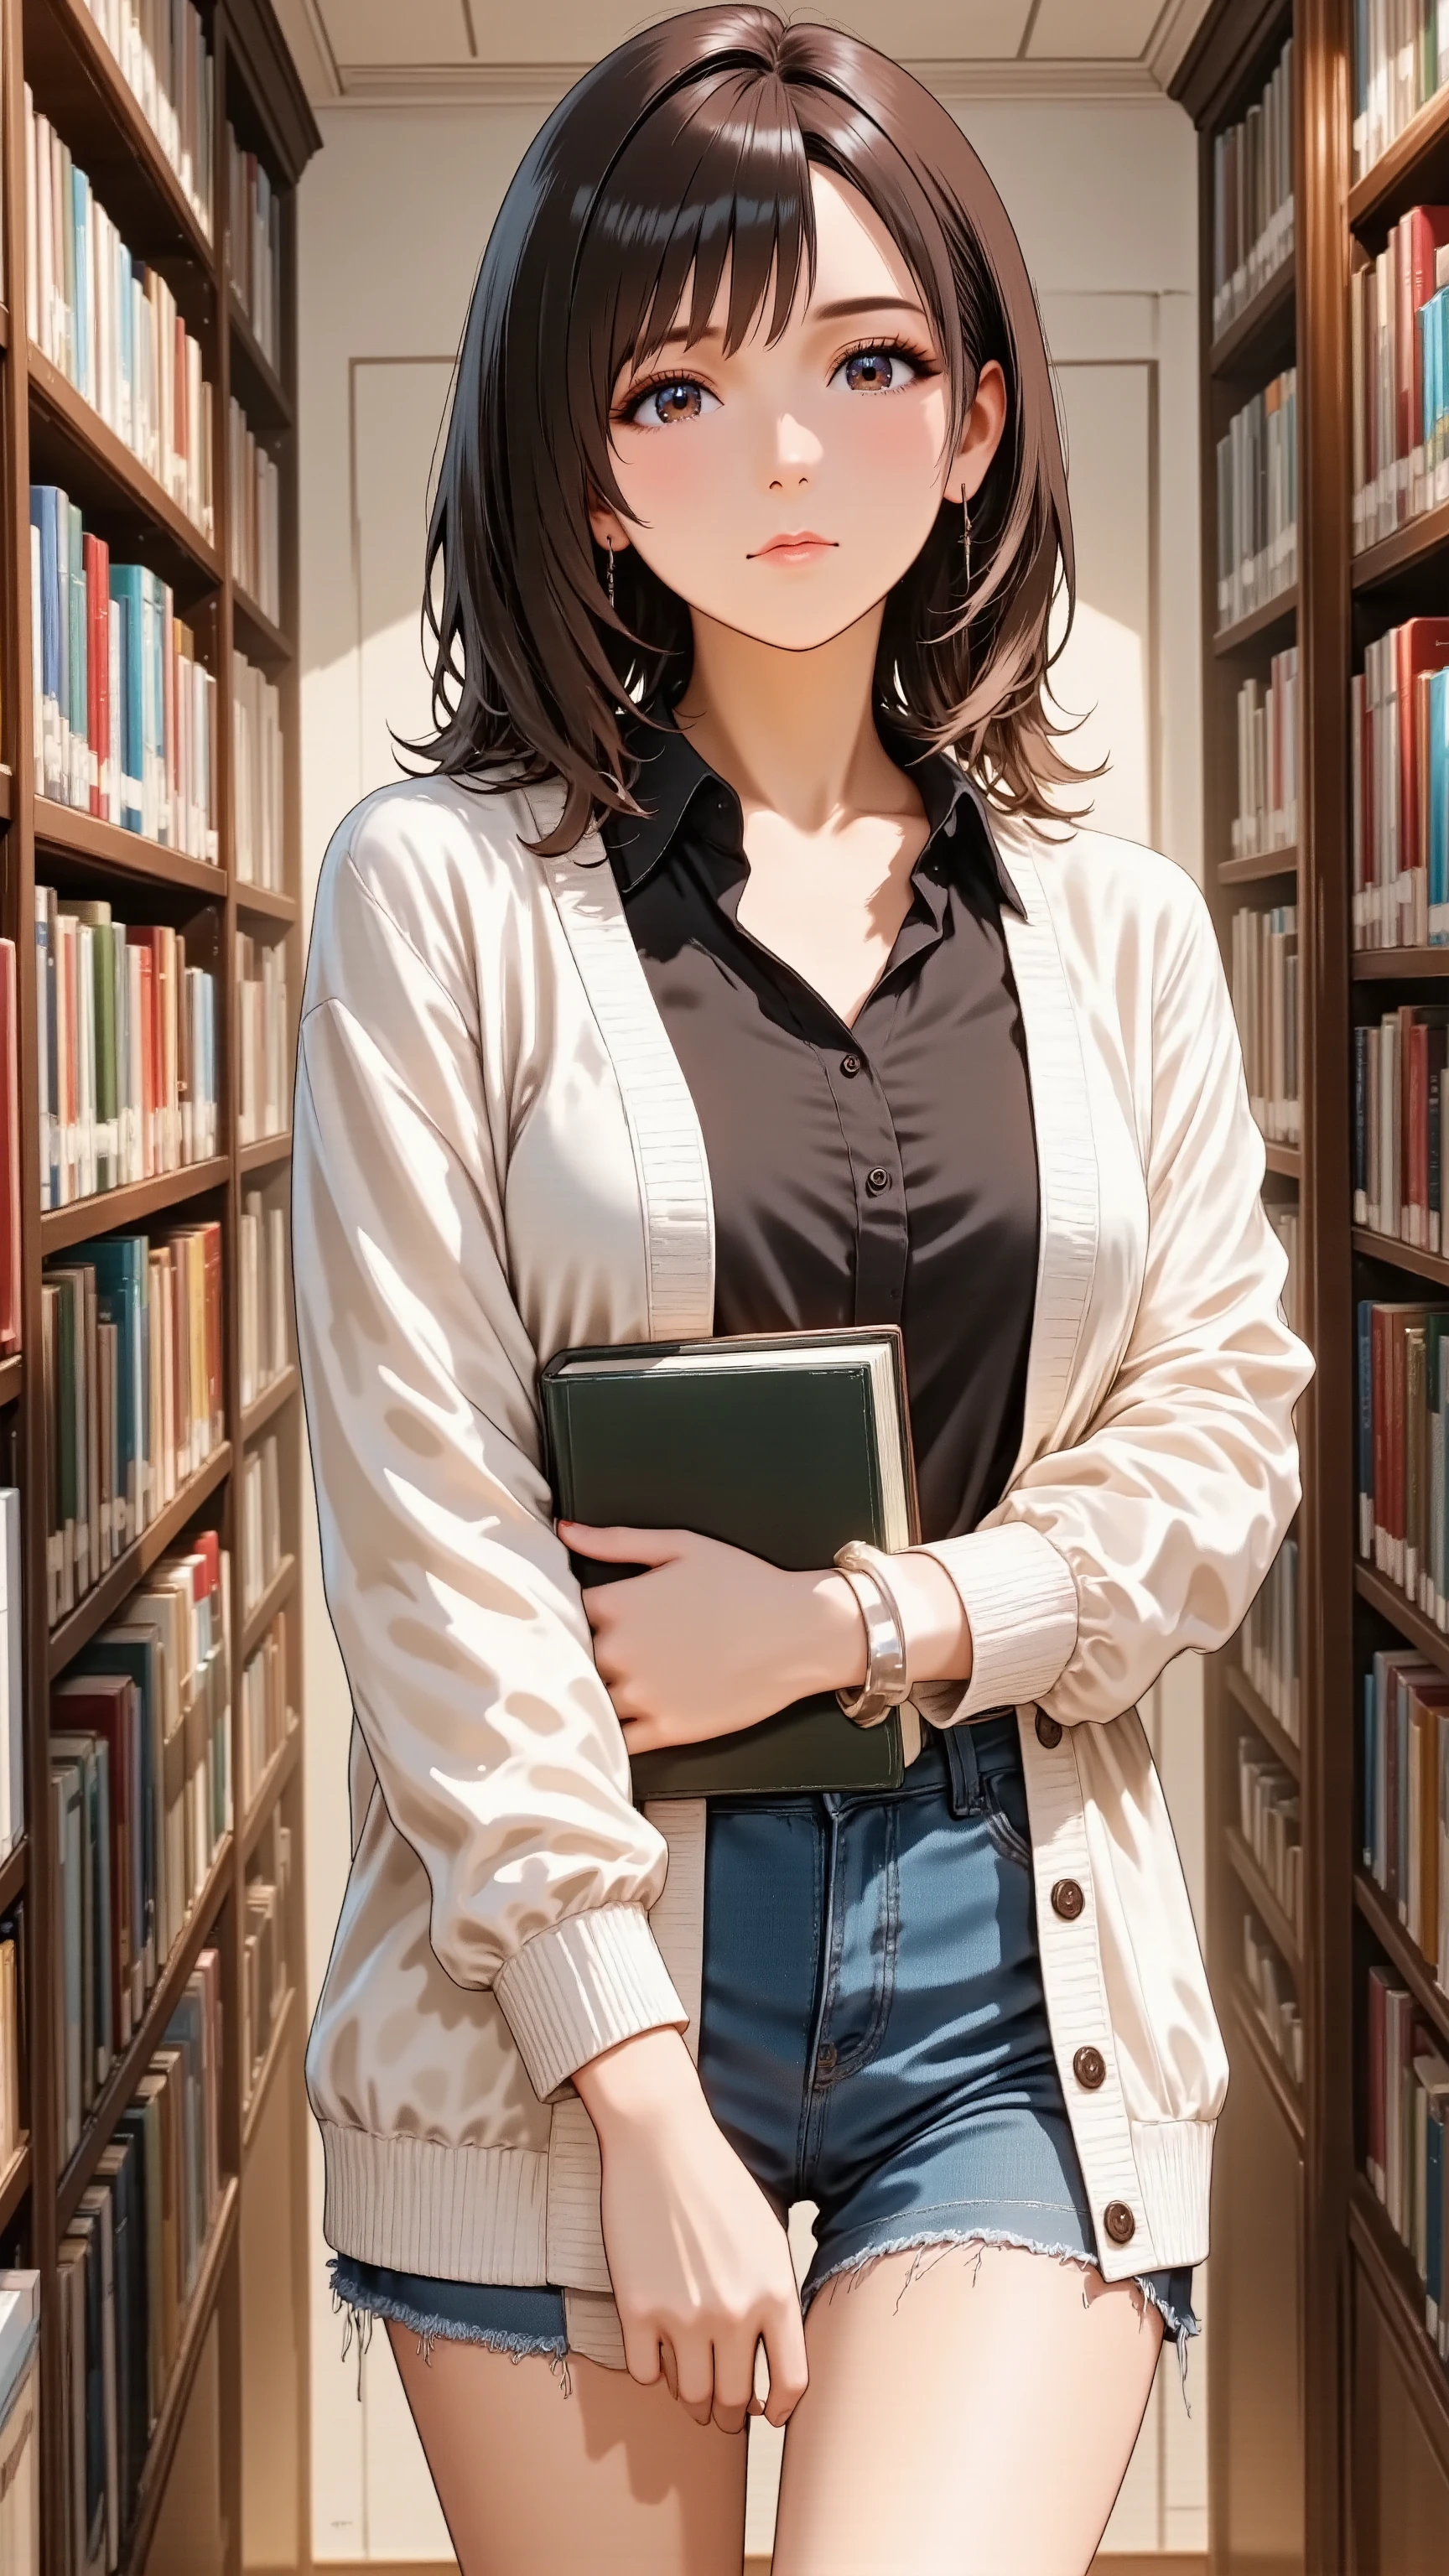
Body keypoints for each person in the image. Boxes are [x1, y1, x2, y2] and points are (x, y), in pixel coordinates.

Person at [294, 13, 1312, 2573]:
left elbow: (1220, 1434)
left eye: (862, 366)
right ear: (579, 458)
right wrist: (635, 2089)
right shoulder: (438, 896)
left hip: (1009, 1960)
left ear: (975, 422)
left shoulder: (1122, 932)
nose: (781, 460)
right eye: (680, 387)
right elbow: (423, 1513)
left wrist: (876, 1619)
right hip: (564, 1979)